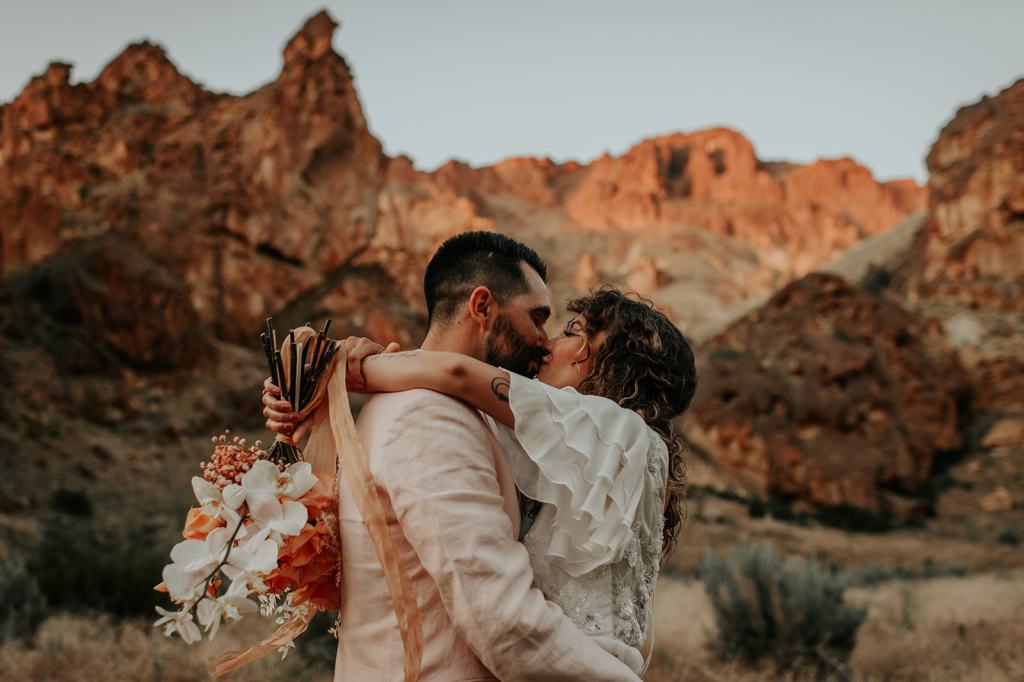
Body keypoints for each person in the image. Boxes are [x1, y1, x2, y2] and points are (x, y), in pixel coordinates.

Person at [265, 232, 646, 681]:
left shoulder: (435, 407)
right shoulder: (428, 418)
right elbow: (503, 622)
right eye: (537, 318)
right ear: (482, 307)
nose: (544, 341)